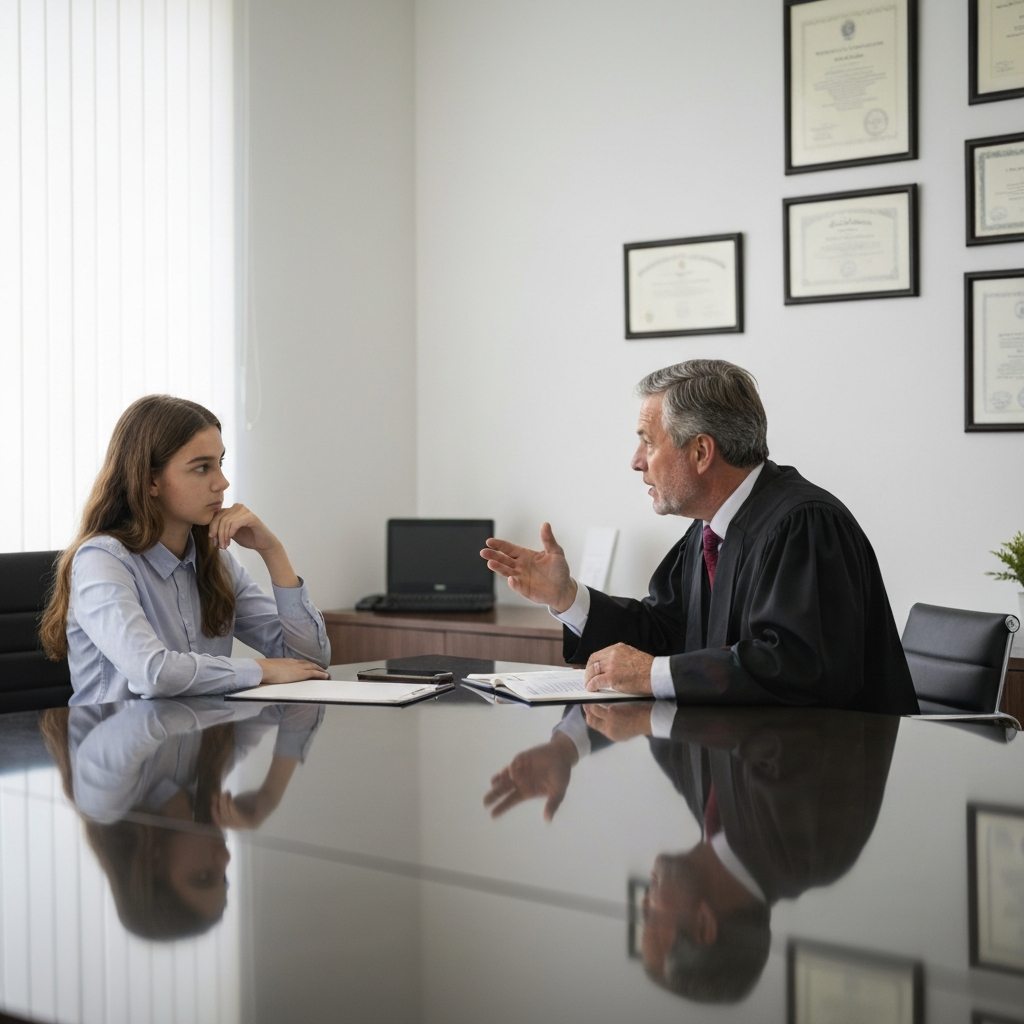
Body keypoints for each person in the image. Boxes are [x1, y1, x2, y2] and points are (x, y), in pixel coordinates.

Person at [481, 360, 918, 714]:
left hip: (818, 790)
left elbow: (797, 667)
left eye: (648, 443)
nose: (636, 462)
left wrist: (653, 674)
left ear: (702, 452)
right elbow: (663, 631)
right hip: (744, 776)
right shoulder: (709, 529)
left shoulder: (804, 524)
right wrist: (567, 597)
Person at [484, 703, 898, 1003]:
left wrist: (564, 749)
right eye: (650, 915)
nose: (644, 899)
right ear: (703, 924)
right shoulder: (812, 851)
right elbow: (777, 712)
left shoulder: (718, 825)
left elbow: (655, 708)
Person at [40, 395, 331, 704]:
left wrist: (273, 551)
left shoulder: (215, 561)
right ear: (152, 481)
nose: (222, 482)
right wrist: (262, 670)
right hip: (121, 746)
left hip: (202, 743)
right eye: (202, 468)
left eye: (219, 463)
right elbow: (153, 673)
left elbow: (309, 661)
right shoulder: (102, 561)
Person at [39, 698, 322, 940]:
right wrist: (269, 796)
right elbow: (300, 701)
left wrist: (246, 679)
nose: (224, 859)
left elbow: (157, 710)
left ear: (153, 863)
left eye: (203, 876)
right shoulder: (206, 774)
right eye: (223, 878)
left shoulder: (103, 798)